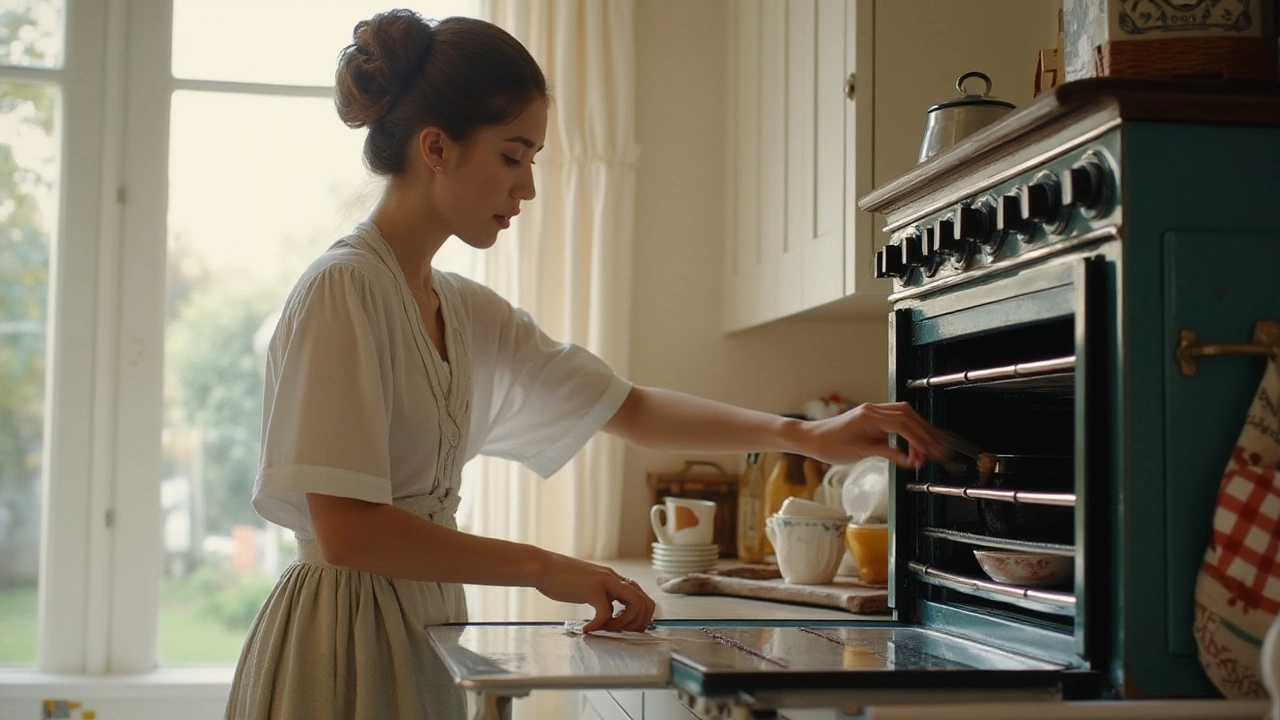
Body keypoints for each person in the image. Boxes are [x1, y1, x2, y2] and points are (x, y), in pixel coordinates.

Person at [225, 9, 946, 719]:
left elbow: (626, 406)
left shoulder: (463, 308)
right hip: (341, 645)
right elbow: (350, 531)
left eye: (531, 161)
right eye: (512, 156)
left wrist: (805, 436)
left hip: (422, 626)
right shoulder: (344, 288)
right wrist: (547, 567)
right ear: (436, 147)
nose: (527, 188)